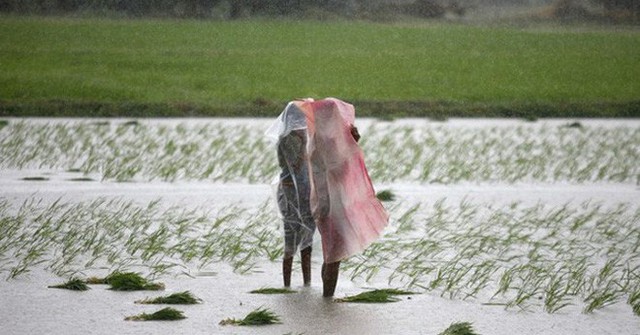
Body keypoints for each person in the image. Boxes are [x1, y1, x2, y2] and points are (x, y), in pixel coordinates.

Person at [301, 98, 389, 297]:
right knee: (333, 256)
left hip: (323, 204)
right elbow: (341, 169)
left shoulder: (315, 140)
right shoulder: (328, 143)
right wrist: (352, 143)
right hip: (334, 206)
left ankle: (327, 300)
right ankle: (327, 299)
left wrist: (350, 141)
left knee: (330, 254)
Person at [267, 101, 315, 287]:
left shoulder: (303, 137)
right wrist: (304, 142)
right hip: (290, 194)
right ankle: (287, 285)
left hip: (305, 193)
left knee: (307, 241)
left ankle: (306, 284)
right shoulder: (288, 139)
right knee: (291, 240)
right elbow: (295, 166)